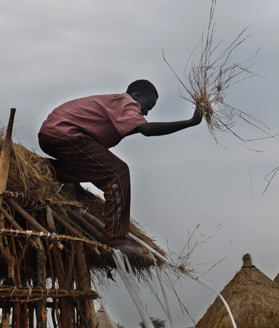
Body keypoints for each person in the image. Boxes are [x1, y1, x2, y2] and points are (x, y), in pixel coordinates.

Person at [39, 79, 202, 256]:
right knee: (118, 172)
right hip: (66, 134)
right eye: (148, 105)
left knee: (102, 166)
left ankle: (44, 170)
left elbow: (90, 157)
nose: (146, 112)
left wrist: (76, 183)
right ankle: (115, 240)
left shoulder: (115, 111)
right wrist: (189, 122)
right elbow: (146, 130)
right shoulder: (126, 102)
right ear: (137, 96)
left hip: (54, 135)